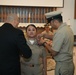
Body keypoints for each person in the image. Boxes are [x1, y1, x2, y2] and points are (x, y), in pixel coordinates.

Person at [39, 11, 75, 75]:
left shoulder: (60, 32)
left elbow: (54, 52)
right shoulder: (67, 29)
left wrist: (44, 43)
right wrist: (44, 35)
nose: (50, 26)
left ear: (55, 21)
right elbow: (58, 38)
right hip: (68, 64)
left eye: (50, 23)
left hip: (62, 66)